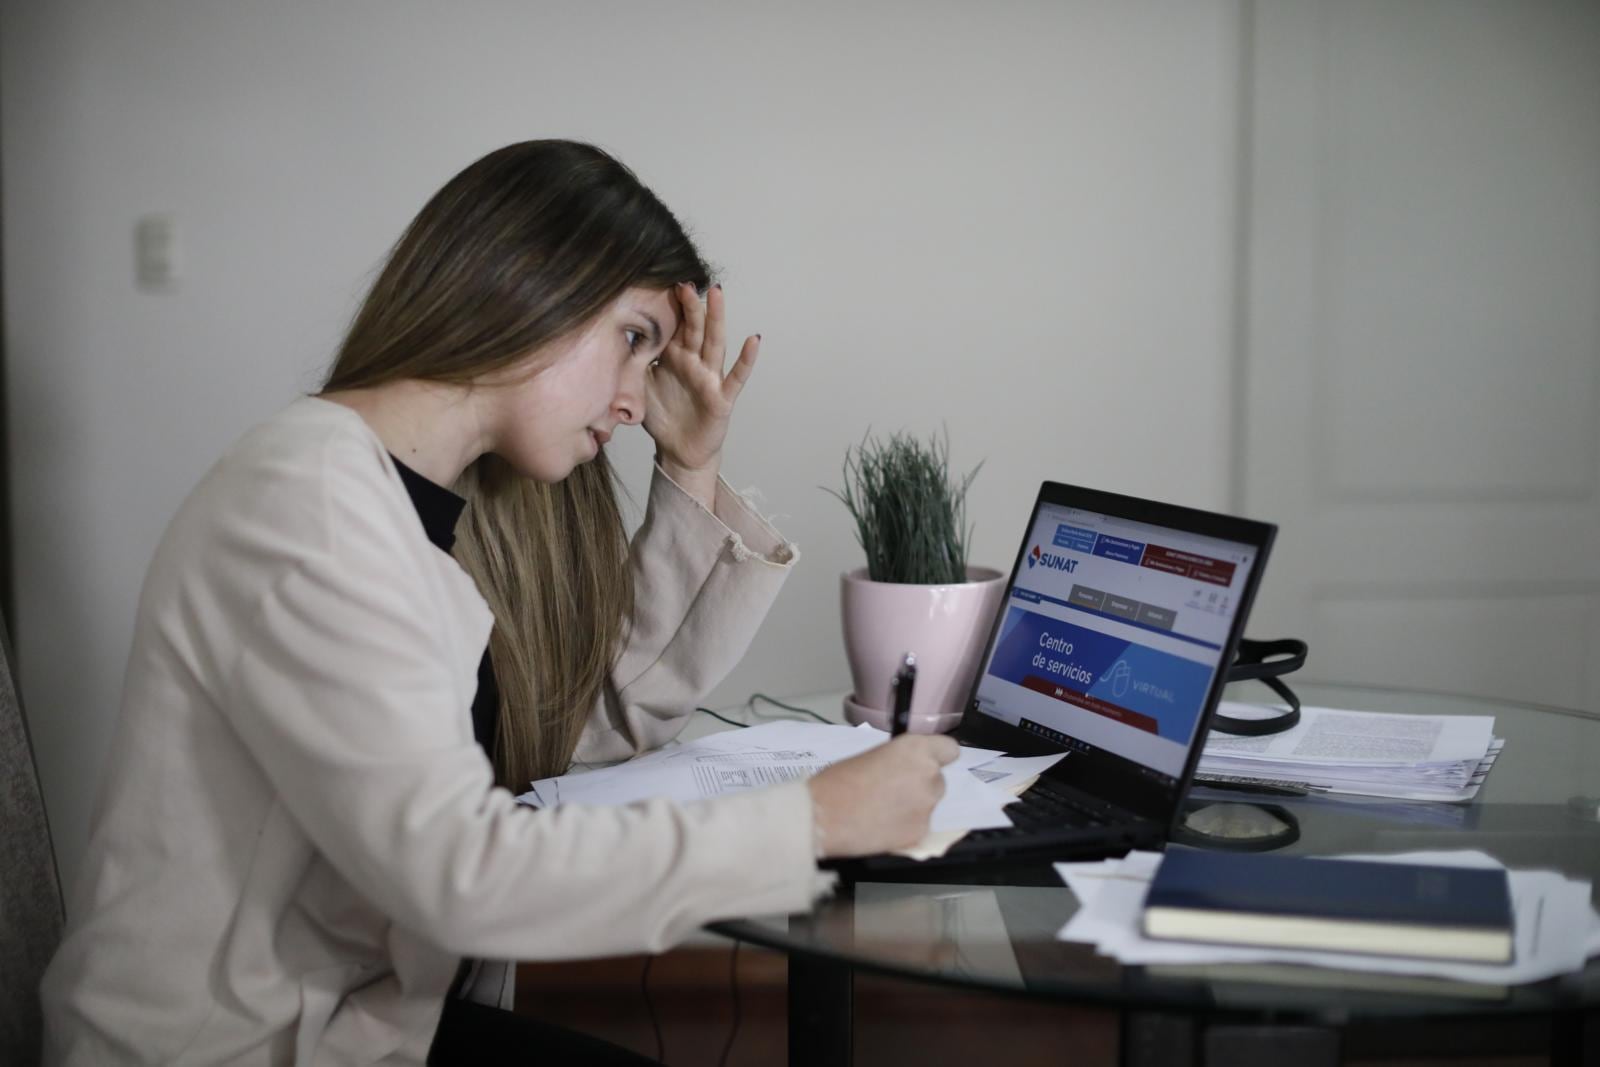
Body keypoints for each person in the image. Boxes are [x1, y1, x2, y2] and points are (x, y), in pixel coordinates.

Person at [39, 140, 958, 1066]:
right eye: (634, 338)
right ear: (529, 281)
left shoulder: (419, 503)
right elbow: (457, 874)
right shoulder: (306, 506)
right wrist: (814, 820)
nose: (638, 400)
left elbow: (566, 738)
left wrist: (690, 466)